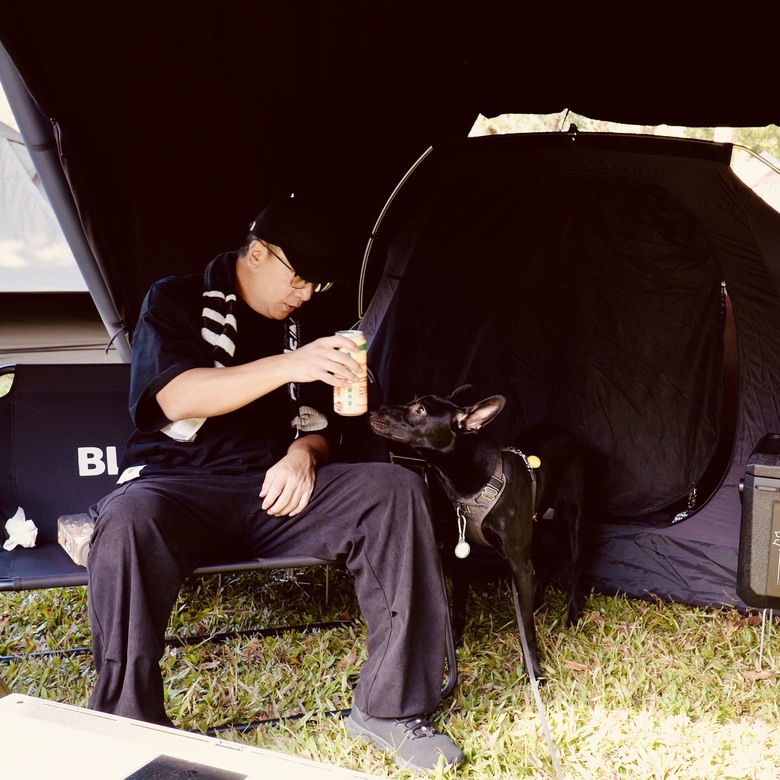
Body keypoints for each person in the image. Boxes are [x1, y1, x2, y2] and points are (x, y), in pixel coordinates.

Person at [84, 195, 464, 771]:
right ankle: (127, 724)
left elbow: (323, 427)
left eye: (318, 285)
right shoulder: (177, 298)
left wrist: (303, 455)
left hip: (277, 493)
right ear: (258, 254)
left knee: (393, 492)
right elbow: (174, 397)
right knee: (127, 520)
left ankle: (390, 708)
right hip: (182, 488)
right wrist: (292, 364)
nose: (306, 295)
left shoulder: (306, 329)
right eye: (300, 278)